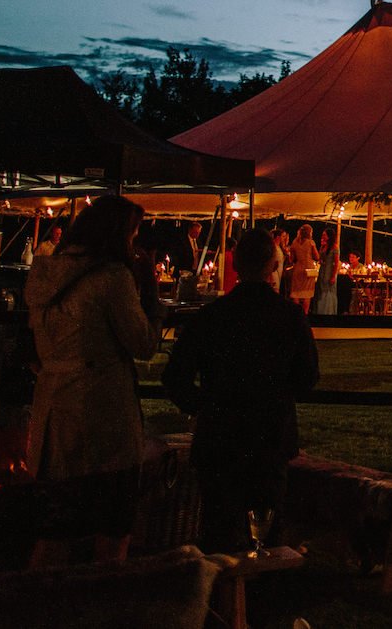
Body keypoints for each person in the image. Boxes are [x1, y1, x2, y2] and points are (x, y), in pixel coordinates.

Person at [24, 194, 162, 568]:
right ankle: (102, 606)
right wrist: (149, 292)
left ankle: (39, 608)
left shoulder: (45, 275)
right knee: (112, 530)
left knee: (55, 531)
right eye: (132, 235)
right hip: (103, 418)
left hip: (55, 412)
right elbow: (143, 343)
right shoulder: (112, 279)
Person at [163, 229, 320, 553]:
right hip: (269, 436)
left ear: (238, 266)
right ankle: (261, 593)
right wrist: (276, 396)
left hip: (220, 436)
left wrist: (205, 405)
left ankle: (221, 595)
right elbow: (307, 377)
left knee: (219, 529)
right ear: (271, 265)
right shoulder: (288, 316)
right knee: (266, 528)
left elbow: (175, 378)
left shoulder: (210, 316)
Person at [288, 223, 318, 311]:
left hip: (297, 268)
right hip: (308, 269)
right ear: (309, 233)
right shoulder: (311, 243)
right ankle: (305, 315)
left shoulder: (294, 242)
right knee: (307, 294)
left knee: (296, 293)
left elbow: (292, 259)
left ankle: (296, 314)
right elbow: (317, 257)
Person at [312, 229, 339, 316]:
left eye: (325, 235)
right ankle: (320, 310)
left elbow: (336, 263)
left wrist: (333, 276)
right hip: (322, 270)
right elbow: (319, 258)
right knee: (320, 288)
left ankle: (328, 311)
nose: (323, 236)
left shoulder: (335, 247)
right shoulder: (323, 246)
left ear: (329, 236)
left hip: (330, 270)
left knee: (328, 290)